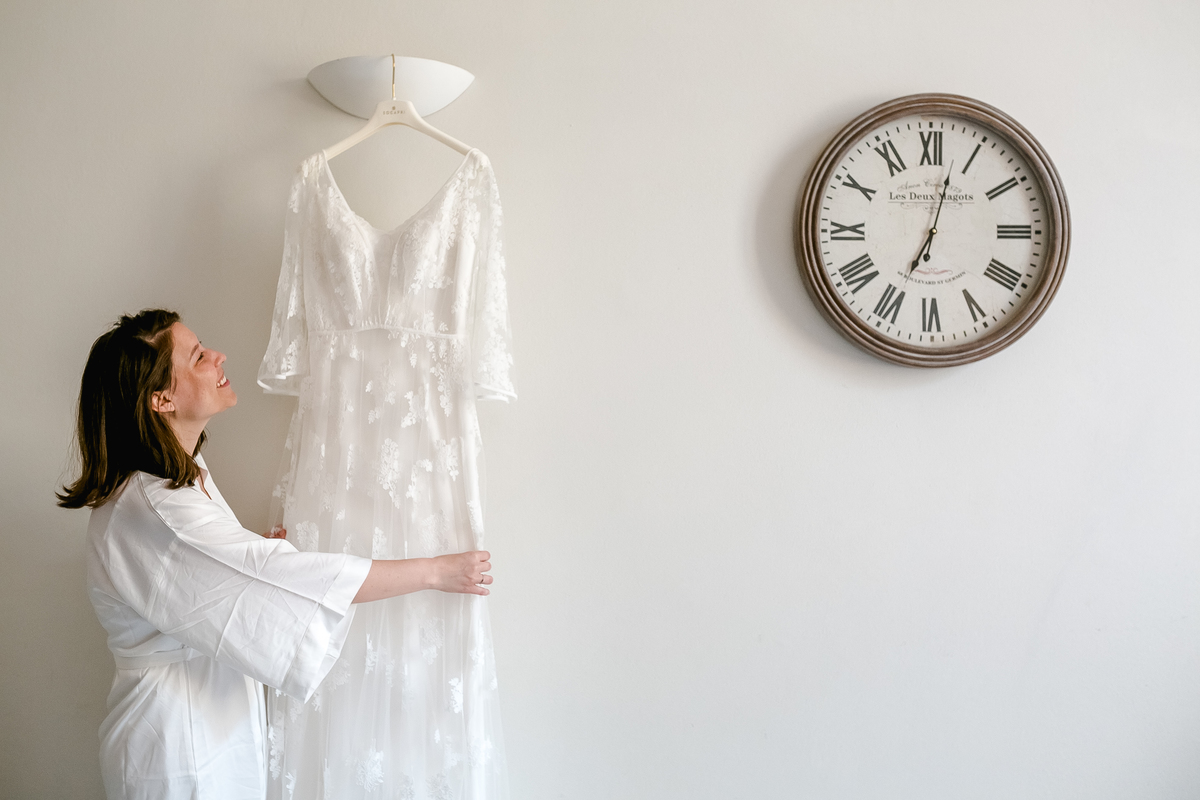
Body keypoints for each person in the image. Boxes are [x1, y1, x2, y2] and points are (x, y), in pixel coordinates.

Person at [58, 309, 494, 800]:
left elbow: (194, 577)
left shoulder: (178, 478)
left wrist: (240, 557)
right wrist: (434, 571)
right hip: (179, 745)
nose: (218, 356)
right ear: (161, 399)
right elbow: (281, 576)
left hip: (206, 721)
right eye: (198, 357)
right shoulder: (156, 509)